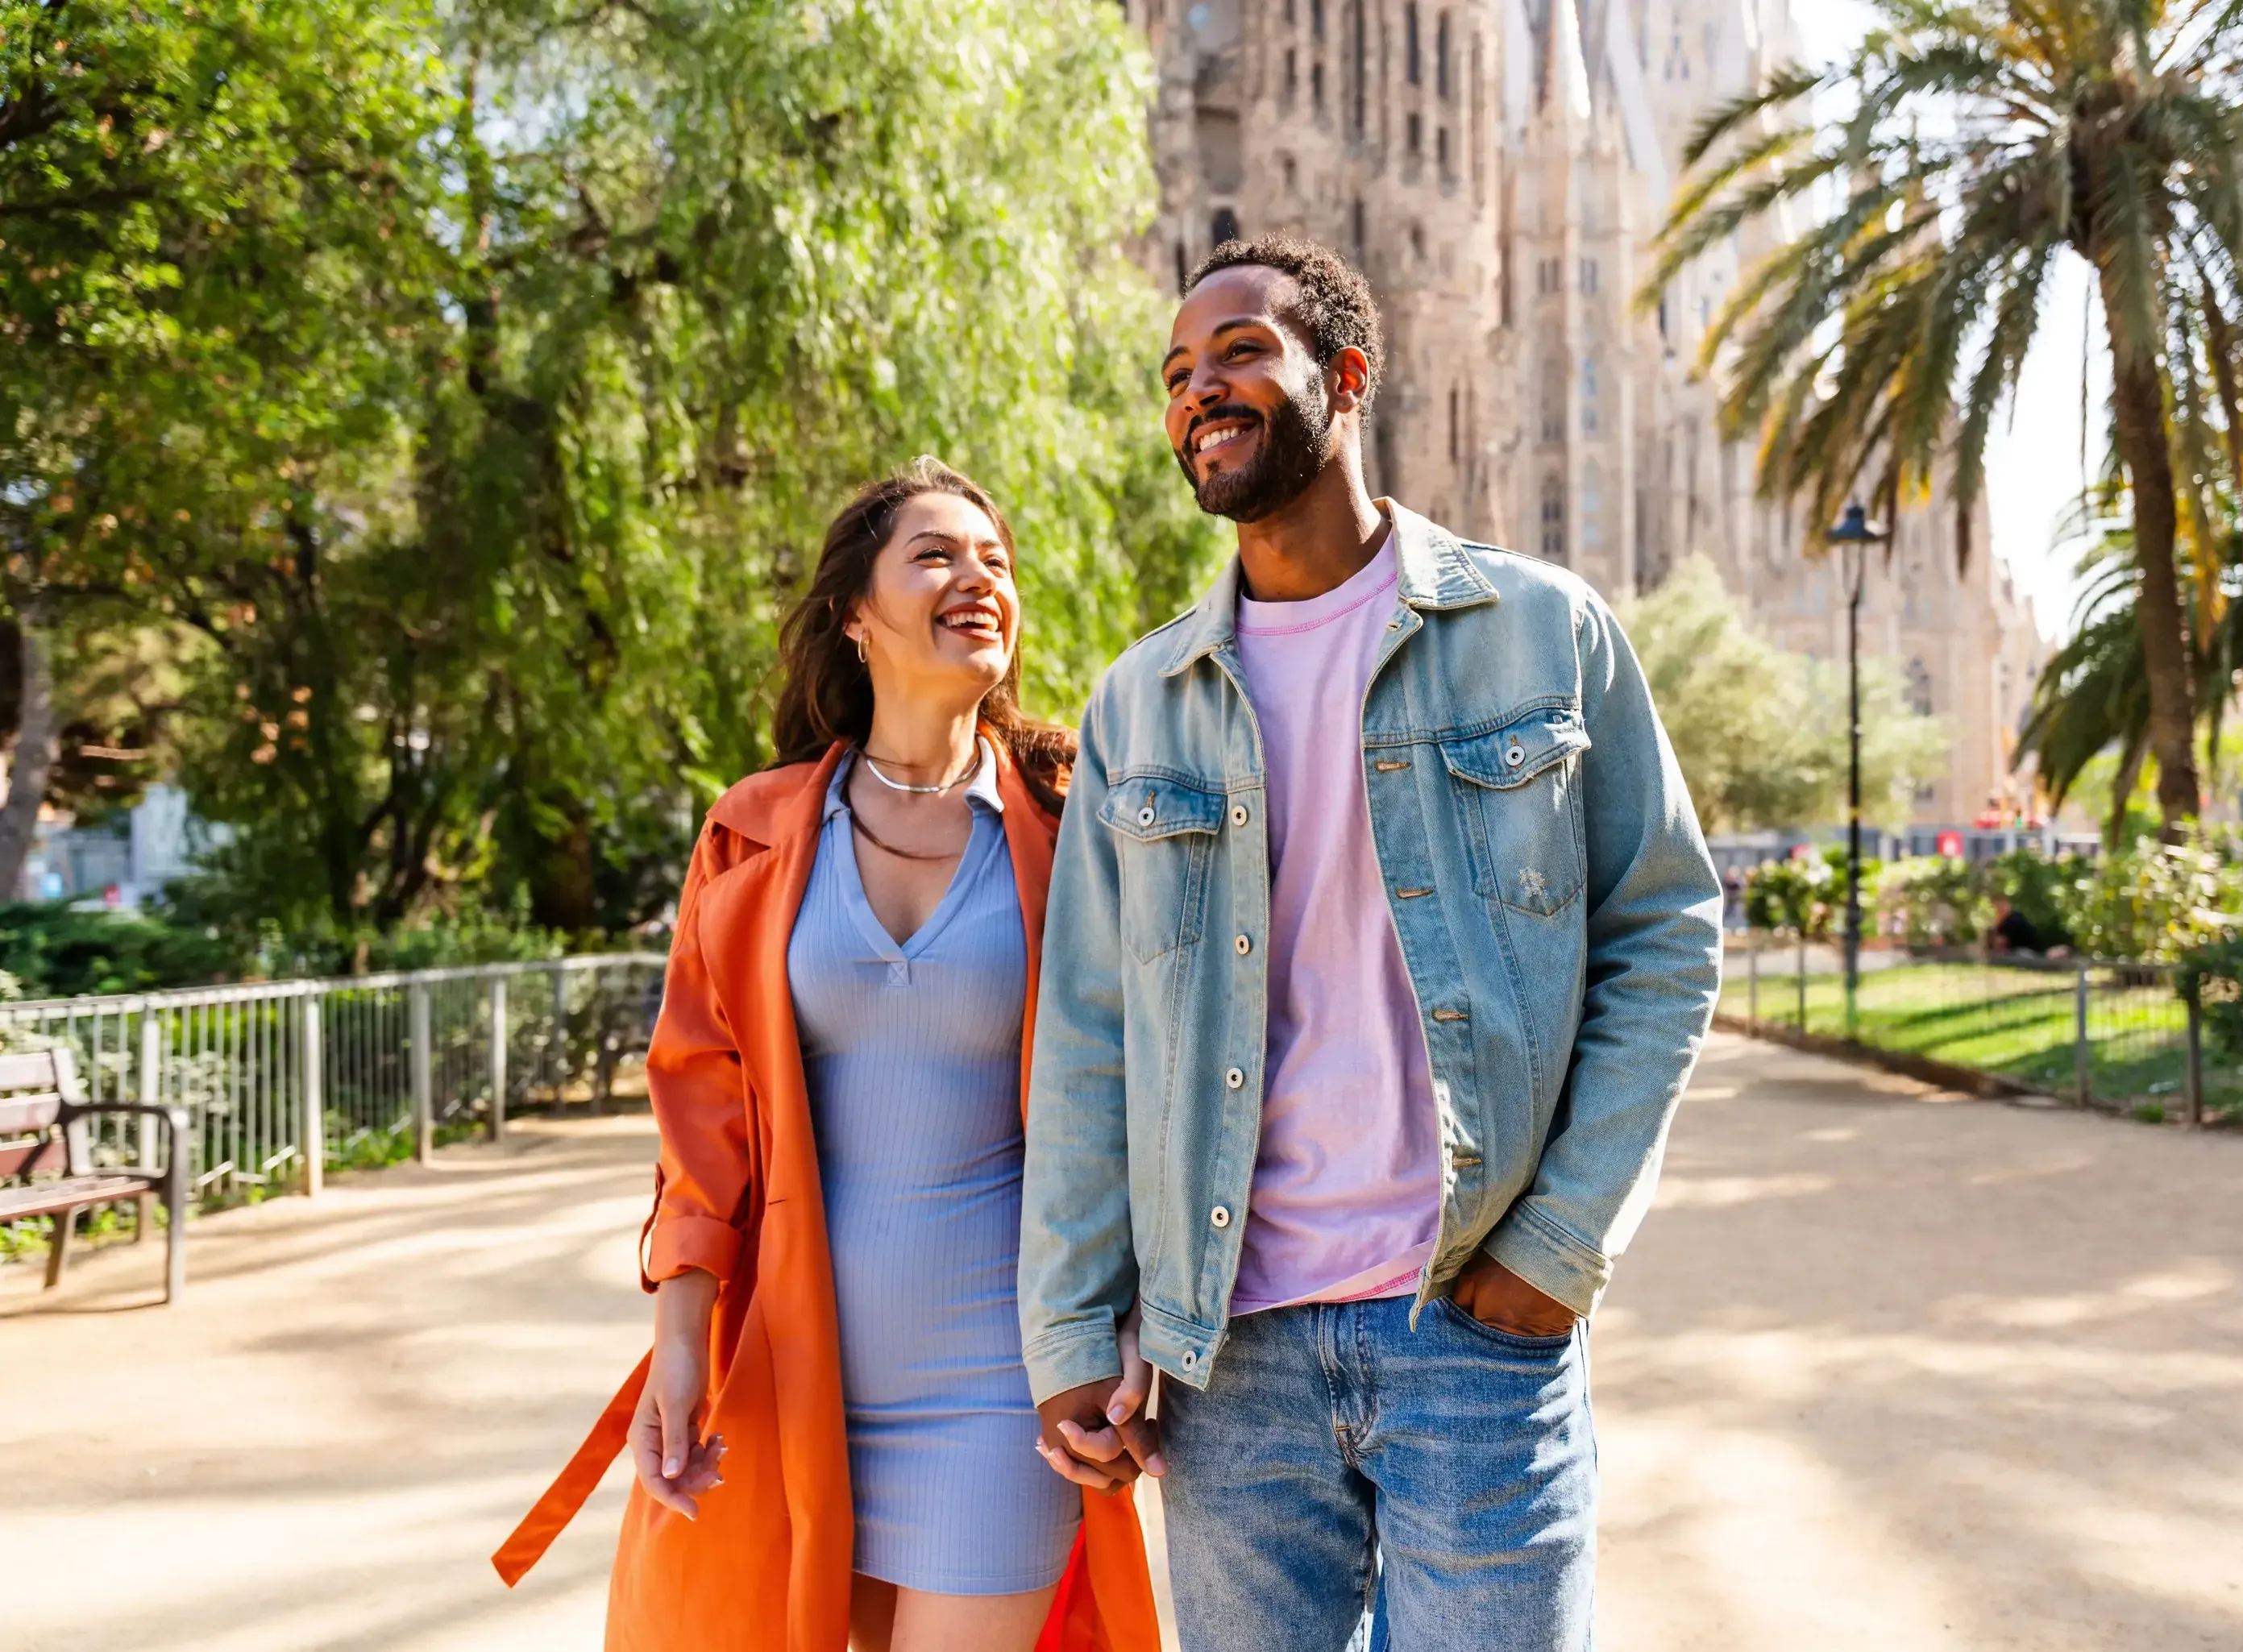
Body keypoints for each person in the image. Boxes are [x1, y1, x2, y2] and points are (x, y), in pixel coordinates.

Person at [1019, 235, 1724, 1650]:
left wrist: (1561, 1242)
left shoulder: (1540, 629)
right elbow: (1093, 1033)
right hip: (1231, 1358)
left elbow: (1664, 930)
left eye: (1238, 354)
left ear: (1344, 379)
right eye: (1175, 374)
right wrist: (1070, 1335)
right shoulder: (1139, 704)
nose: (1198, 393)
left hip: (1472, 1322)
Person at [493, 459, 1158, 1652]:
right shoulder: (752, 831)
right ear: (856, 613)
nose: (979, 578)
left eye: (997, 561)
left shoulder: (1071, 828)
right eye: (939, 554)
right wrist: (680, 1346)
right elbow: (703, 1113)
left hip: (999, 1389)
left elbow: (1137, 1098)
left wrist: (1132, 1322)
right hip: (790, 1374)